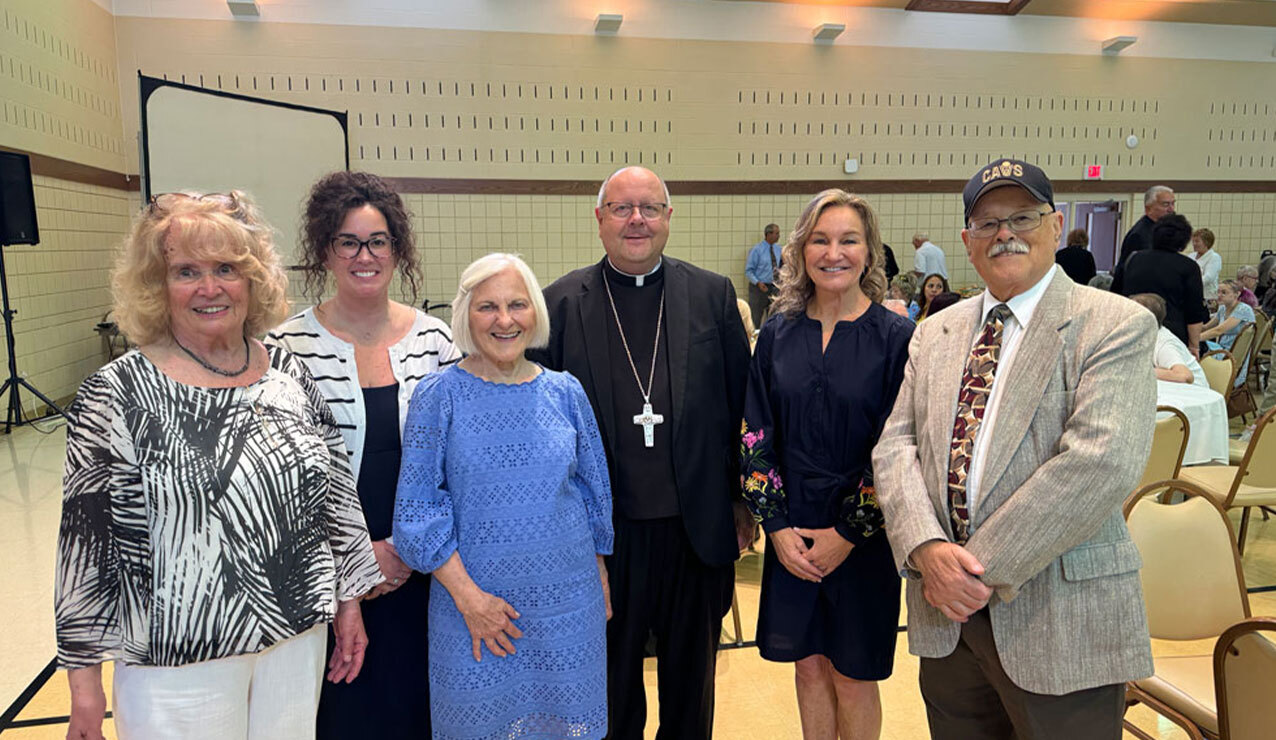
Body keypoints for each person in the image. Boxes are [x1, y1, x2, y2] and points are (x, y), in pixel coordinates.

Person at [57, 192, 382, 740]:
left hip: (296, 640)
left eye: (227, 269)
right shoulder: (115, 393)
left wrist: (349, 602)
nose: (210, 288)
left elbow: (336, 504)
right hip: (177, 660)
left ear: (253, 278)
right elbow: (85, 549)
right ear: (157, 285)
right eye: (186, 271)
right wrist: (84, 687)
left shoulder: (289, 375)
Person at [873, 159, 1157, 739]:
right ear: (967, 242)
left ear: (1055, 227)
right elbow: (896, 446)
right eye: (987, 222)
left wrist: (974, 570)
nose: (1005, 233)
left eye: (1022, 217)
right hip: (946, 617)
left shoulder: (1113, 323)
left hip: (1058, 611)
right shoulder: (937, 330)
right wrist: (927, 550)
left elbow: (1099, 463)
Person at [529, 166, 752, 740]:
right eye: (622, 208)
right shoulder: (560, 303)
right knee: (609, 684)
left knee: (691, 685)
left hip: (694, 530)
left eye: (649, 208)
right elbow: (541, 429)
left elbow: (740, 405)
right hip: (604, 539)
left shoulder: (711, 294)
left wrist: (742, 501)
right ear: (599, 219)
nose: (636, 220)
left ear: (669, 218)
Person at [265, 171, 460, 738]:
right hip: (326, 578)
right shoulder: (284, 348)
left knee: (419, 709)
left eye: (377, 241)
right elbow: (282, 482)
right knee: (344, 712)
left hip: (421, 567)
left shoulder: (435, 340)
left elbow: (459, 466)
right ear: (325, 251)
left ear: (396, 249)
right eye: (347, 242)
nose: (364, 255)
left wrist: (403, 550)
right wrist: (353, 562)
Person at [392, 253, 614, 740]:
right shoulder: (439, 395)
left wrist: (598, 575)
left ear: (535, 311)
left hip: (567, 607)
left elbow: (594, 493)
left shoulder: (565, 392)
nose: (505, 320)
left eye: (517, 304)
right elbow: (417, 512)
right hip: (471, 607)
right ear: (465, 316)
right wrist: (471, 601)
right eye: (487, 307)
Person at [741, 189, 912, 739]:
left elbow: (900, 449)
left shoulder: (897, 340)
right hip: (792, 529)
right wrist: (777, 526)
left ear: (869, 251)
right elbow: (754, 432)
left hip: (863, 534)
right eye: (820, 239)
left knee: (853, 673)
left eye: (848, 240)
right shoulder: (778, 334)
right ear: (801, 249)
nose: (833, 252)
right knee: (809, 663)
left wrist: (847, 532)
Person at [1118, 214, 1209, 356]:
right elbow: (1194, 312)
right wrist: (1194, 346)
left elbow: (1121, 294)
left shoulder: (1134, 259)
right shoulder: (1188, 266)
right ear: (1184, 240)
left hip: (1134, 329)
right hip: (1172, 334)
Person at [1130, 293, 1208, 388]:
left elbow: (1185, 376)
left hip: (1193, 395)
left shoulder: (1164, 342)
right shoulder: (1146, 335)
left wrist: (1139, 372)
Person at [1112, 184, 1175, 292]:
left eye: (1173, 204)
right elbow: (1136, 271)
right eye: (1165, 204)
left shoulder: (1158, 231)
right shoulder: (1140, 234)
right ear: (1148, 208)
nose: (1171, 209)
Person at [1202, 279, 1256, 386]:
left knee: (1198, 348)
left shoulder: (1243, 310)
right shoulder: (1223, 308)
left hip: (1235, 354)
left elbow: (1219, 330)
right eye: (1218, 292)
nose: (1219, 295)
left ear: (1237, 294)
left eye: (1224, 292)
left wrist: (1195, 339)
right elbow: (1207, 327)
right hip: (1223, 349)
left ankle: (1207, 384)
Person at [745, 223, 783, 327]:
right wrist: (758, 283)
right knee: (755, 317)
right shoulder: (757, 250)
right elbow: (749, 271)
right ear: (768, 234)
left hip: (774, 287)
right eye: (776, 233)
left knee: (774, 317)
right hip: (759, 289)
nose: (779, 236)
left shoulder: (779, 249)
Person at [1189, 228, 1223, 306]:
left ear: (1206, 243)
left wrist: (1190, 284)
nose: (1194, 244)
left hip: (1207, 298)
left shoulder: (1214, 257)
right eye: (1193, 241)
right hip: (1191, 296)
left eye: (1197, 241)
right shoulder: (1191, 256)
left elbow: (1208, 278)